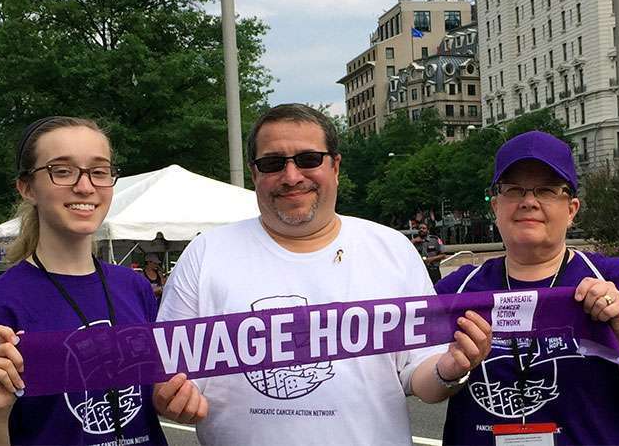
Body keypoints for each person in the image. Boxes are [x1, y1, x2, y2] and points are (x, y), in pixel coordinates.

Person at [154, 103, 492, 445]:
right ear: (254, 174)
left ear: (335, 166)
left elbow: (419, 373)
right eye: (273, 163)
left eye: (308, 159)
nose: (291, 176)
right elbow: (170, 373)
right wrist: (172, 398)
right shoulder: (205, 255)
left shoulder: (392, 250)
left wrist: (450, 370)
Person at [434, 130, 619, 445]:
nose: (529, 202)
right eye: (514, 190)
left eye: (546, 190)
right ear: (495, 206)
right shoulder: (458, 290)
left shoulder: (616, 281)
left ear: (572, 209)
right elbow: (409, 376)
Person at [0, 117, 167, 445]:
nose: (85, 186)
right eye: (62, 171)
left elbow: (149, 400)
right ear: (27, 188)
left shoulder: (134, 288)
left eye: (99, 171)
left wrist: (176, 400)